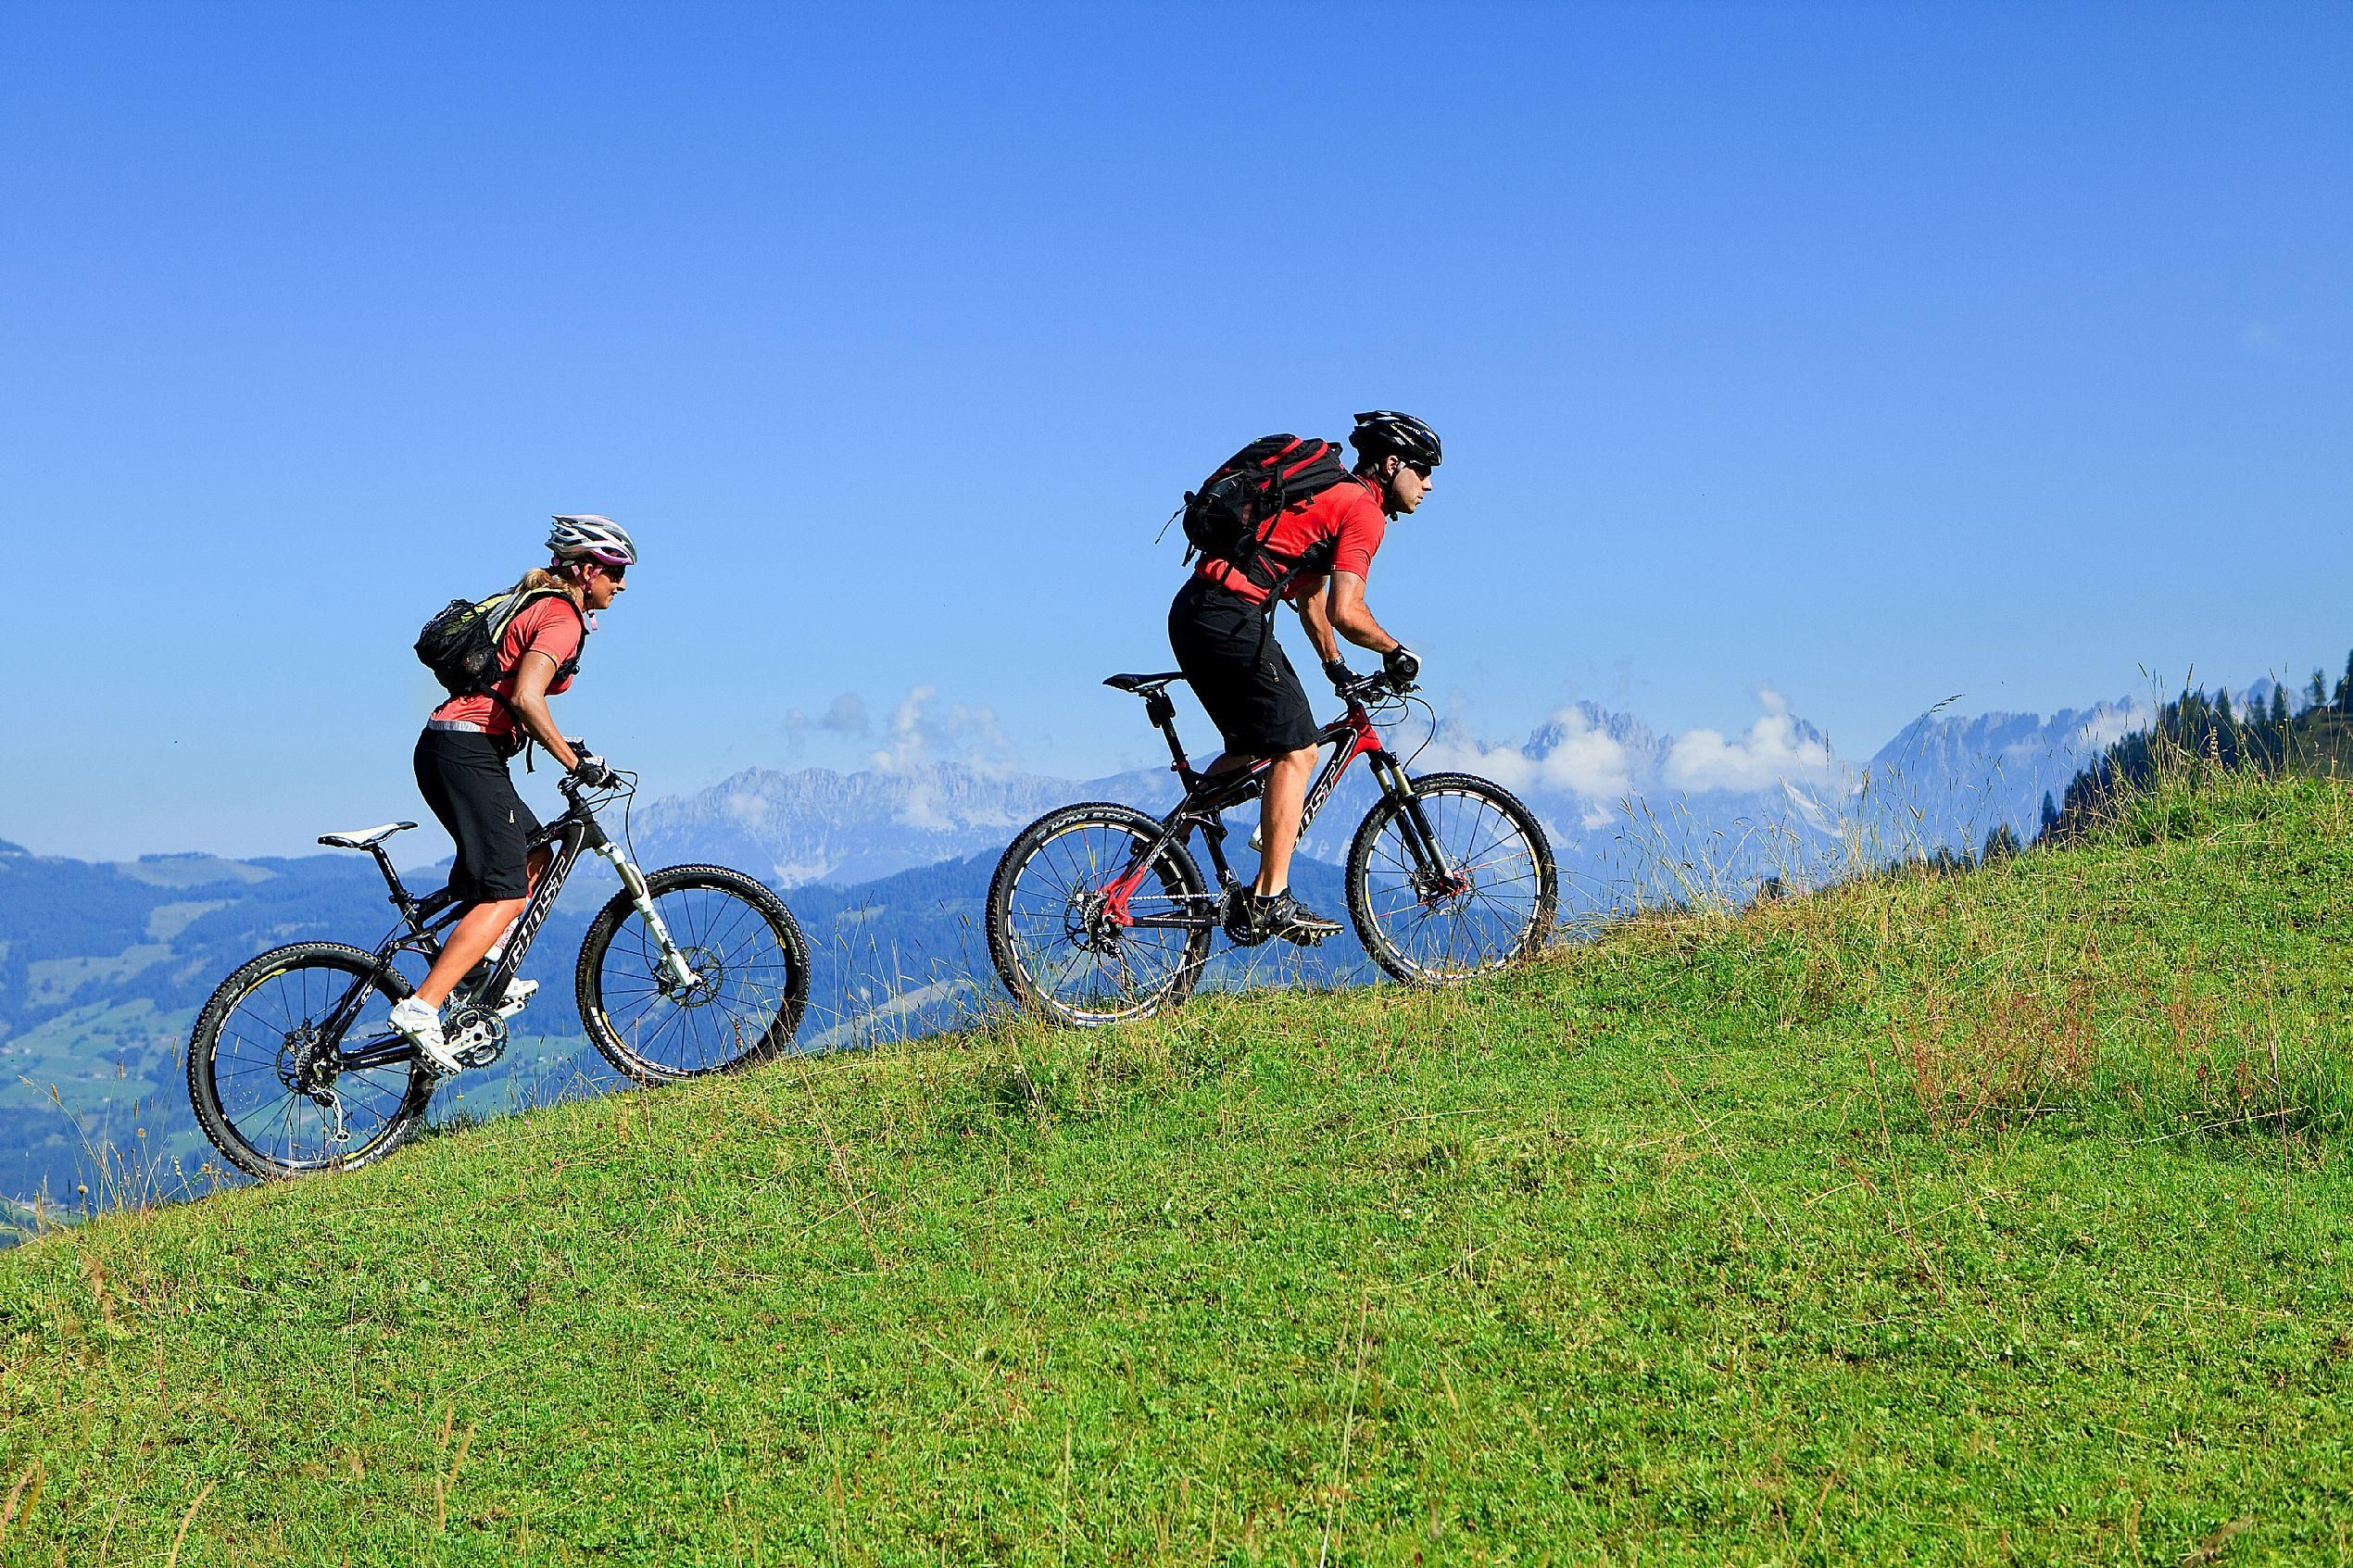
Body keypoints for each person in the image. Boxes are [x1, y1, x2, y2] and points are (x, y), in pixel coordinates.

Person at [1166, 410, 1440, 943]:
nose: (1428, 485)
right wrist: (1397, 652)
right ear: (1392, 465)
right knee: (1298, 750)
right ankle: (1270, 898)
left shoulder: (1328, 494)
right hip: (1230, 615)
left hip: (1197, 610)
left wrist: (1335, 665)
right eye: (1423, 470)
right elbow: (1346, 611)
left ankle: (1164, 843)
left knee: (1253, 747)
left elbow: (1311, 598)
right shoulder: (1363, 510)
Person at [387, 515, 635, 1073]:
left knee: (534, 854)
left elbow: (510, 695)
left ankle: (483, 961)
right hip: (464, 751)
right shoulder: (561, 616)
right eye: (615, 572)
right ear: (587, 570)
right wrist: (574, 763)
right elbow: (525, 697)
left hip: (457, 747)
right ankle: (423, 1008)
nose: (621, 585)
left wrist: (564, 744)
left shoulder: (541, 604)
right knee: (505, 893)